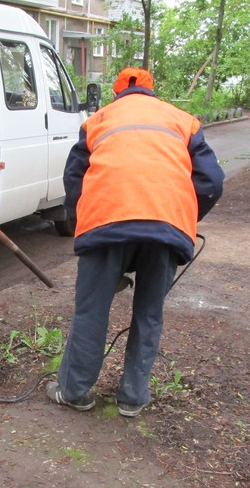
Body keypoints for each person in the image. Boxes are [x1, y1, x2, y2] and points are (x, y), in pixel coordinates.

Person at [47, 67, 225, 417]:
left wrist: (81, 226)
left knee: (91, 310)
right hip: (165, 225)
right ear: (152, 92)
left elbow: (74, 178)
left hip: (105, 222)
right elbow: (211, 181)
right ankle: (133, 397)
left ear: (117, 94)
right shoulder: (183, 121)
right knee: (149, 313)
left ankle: (75, 391)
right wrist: (183, 217)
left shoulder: (98, 121)